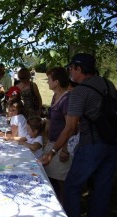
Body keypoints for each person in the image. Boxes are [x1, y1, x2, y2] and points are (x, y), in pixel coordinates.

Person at [41, 53, 117, 217]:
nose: (69, 71)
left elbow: (70, 127)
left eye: (71, 68)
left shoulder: (79, 92)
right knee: (101, 190)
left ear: (79, 69)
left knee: (71, 187)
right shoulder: (109, 84)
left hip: (91, 146)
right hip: (112, 144)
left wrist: (52, 152)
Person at [42, 67, 72, 205]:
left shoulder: (66, 99)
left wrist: (65, 149)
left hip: (61, 147)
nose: (47, 82)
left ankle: (64, 210)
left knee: (61, 182)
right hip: (52, 143)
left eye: (49, 79)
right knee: (50, 180)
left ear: (57, 82)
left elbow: (71, 126)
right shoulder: (55, 97)